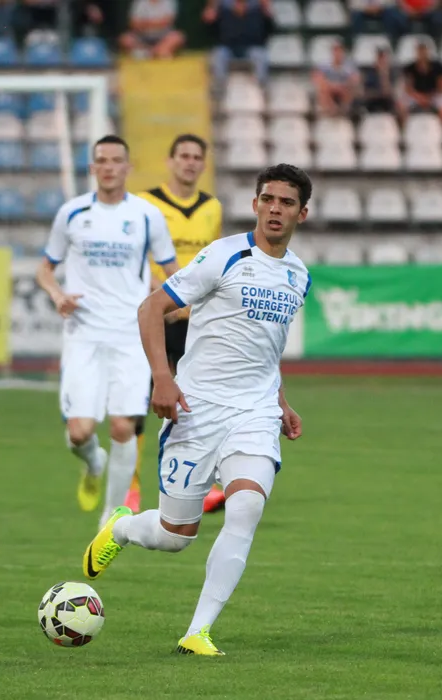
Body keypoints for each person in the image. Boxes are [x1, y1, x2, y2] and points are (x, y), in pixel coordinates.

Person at [82, 163, 311, 656]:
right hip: (197, 410)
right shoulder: (223, 256)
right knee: (175, 535)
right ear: (255, 204)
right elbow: (151, 309)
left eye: (287, 202)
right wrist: (163, 377)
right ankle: (122, 527)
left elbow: (266, 349)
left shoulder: (299, 274)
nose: (275, 209)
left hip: (254, 413)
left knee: (246, 506)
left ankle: (197, 632)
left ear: (302, 213)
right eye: (268, 199)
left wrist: (281, 402)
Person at [37, 135, 179, 530]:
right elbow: (45, 268)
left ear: (127, 167)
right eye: (102, 160)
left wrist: (185, 303)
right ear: (92, 168)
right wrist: (57, 295)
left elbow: (173, 271)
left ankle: (111, 520)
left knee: (122, 425)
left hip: (131, 334)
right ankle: (93, 462)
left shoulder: (147, 216)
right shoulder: (72, 213)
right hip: (83, 334)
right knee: (79, 432)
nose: (110, 167)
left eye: (117, 160)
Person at [129, 134, 225, 517]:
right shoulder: (146, 203)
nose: (189, 162)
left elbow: (214, 258)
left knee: (196, 401)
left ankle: (200, 485)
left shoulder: (212, 207)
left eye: (196, 157)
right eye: (183, 156)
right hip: (156, 312)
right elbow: (133, 257)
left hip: (194, 319)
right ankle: (131, 486)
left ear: (203, 164)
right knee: (140, 399)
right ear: (170, 161)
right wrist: (161, 293)